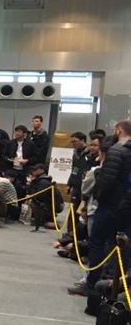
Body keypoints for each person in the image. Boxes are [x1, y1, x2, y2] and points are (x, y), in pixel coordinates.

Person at [69, 121, 131, 296]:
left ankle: (92, 284)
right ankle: (112, 285)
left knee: (97, 242)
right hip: (127, 206)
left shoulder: (116, 150)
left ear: (119, 130)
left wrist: (98, 198)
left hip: (111, 205)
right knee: (120, 245)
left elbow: (107, 180)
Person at [5, 124, 33, 199]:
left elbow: (35, 157)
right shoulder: (10, 143)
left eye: (19, 131)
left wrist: (27, 160)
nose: (17, 133)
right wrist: (9, 159)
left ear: (24, 134)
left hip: (24, 170)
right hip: (12, 169)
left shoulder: (30, 144)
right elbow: (4, 155)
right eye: (16, 131)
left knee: (22, 189)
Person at [67, 132, 90, 209]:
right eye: (72, 142)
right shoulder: (75, 154)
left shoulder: (90, 154)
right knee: (72, 208)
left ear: (82, 140)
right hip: (76, 186)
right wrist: (70, 183)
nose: (73, 144)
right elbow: (75, 169)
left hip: (86, 186)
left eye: (75, 141)